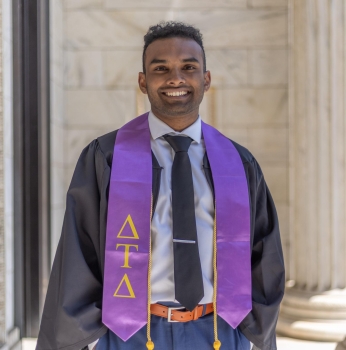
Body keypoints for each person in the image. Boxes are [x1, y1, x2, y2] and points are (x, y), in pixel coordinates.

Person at [36, 22, 285, 350]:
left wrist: (256, 333)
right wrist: (86, 337)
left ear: (206, 80)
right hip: (130, 333)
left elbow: (264, 255)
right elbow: (79, 251)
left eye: (189, 67)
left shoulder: (239, 163)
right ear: (143, 81)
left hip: (217, 333)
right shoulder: (106, 158)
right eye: (160, 68)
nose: (175, 78)